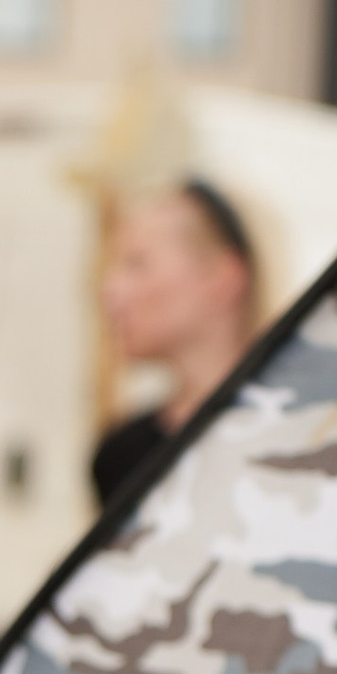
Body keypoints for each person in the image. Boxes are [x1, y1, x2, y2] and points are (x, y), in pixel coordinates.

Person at [91, 177, 261, 509]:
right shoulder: (121, 459)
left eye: (136, 264)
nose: (109, 290)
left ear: (223, 278)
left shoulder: (304, 433)